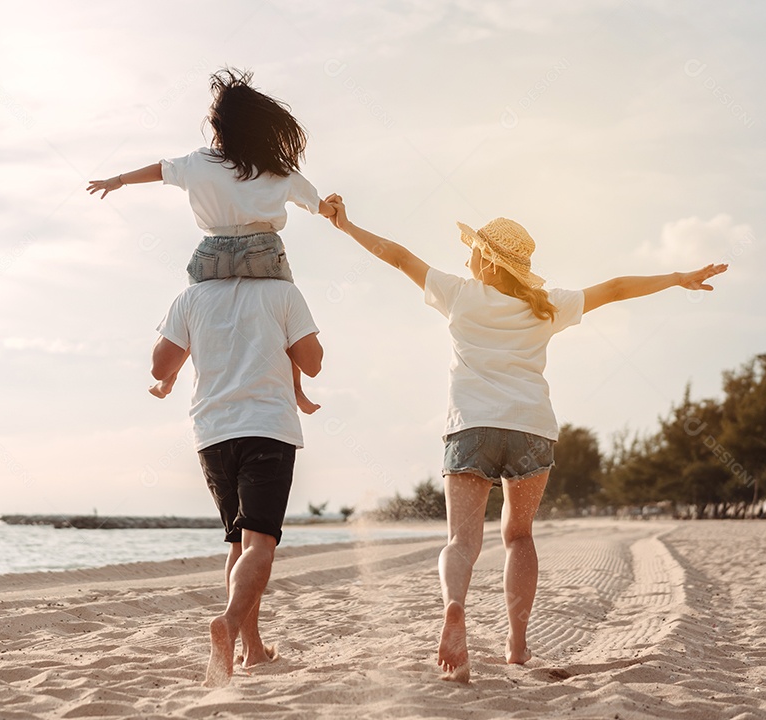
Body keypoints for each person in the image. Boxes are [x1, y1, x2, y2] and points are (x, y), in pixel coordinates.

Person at [323, 194, 726, 682]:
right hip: (531, 429)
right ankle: (517, 643)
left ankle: (455, 607)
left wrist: (347, 225)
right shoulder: (547, 305)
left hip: (471, 427)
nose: (465, 257)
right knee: (518, 536)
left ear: (488, 262)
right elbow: (617, 287)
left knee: (461, 541)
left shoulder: (460, 295)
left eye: (472, 250)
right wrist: (678, 278)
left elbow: (397, 254)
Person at [88, 67, 334, 414]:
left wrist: (118, 180)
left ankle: (168, 378)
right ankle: (297, 388)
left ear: (219, 127)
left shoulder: (198, 162)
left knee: (193, 314)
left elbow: (159, 169)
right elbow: (316, 204)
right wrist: (331, 209)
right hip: (262, 250)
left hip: (212, 252)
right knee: (288, 318)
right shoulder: (275, 169)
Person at [151, 274, 323, 687]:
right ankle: (228, 623)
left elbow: (160, 365)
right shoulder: (282, 291)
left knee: (238, 541)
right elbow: (313, 363)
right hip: (266, 427)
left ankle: (253, 650)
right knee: (260, 542)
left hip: (212, 435)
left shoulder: (191, 297)